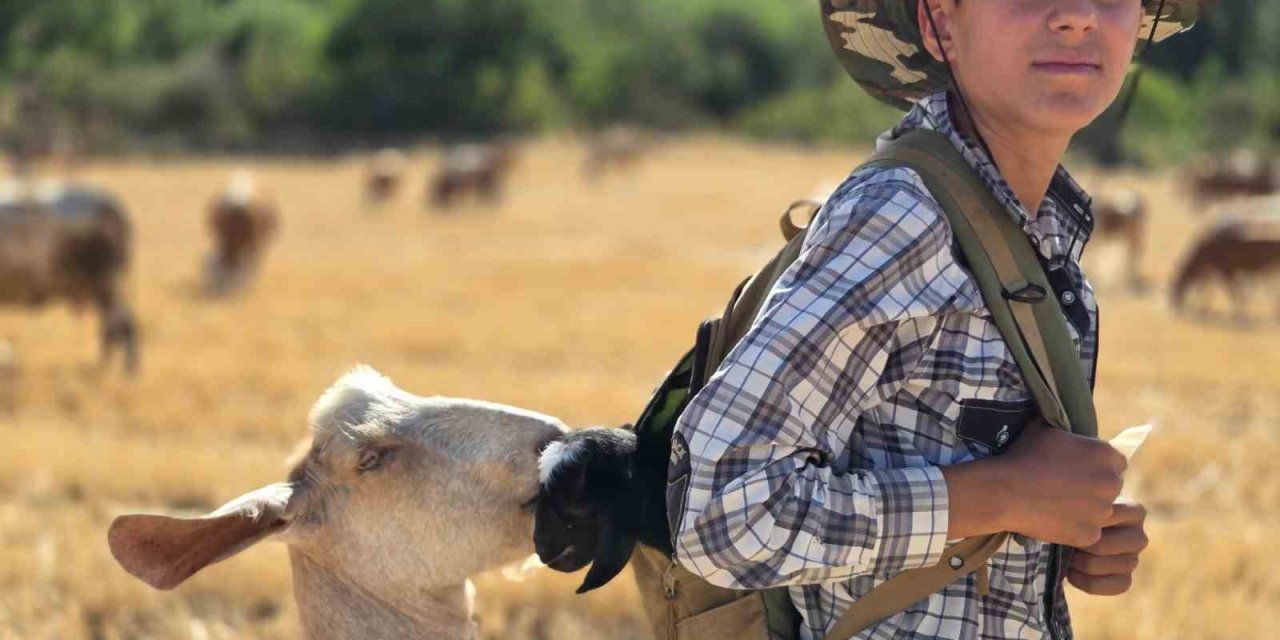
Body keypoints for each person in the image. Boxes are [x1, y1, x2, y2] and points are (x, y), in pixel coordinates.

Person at [670, 1, 1202, 638]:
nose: (1077, 16)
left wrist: (1064, 531)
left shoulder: (1032, 227)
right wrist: (1004, 496)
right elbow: (719, 512)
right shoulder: (905, 219)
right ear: (940, 22)